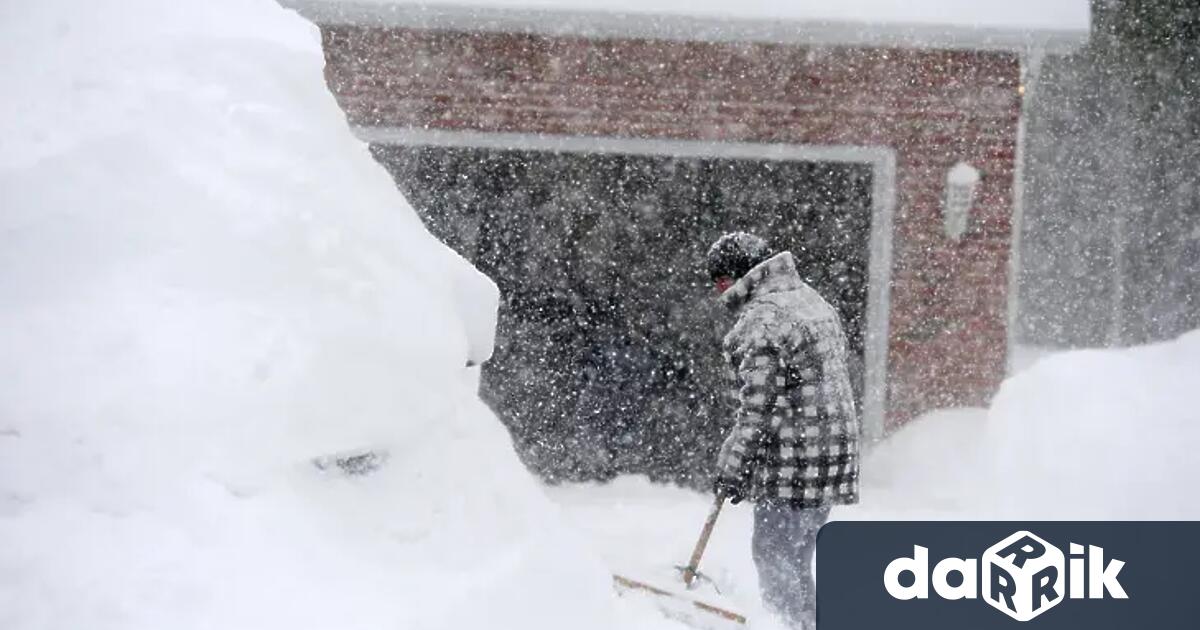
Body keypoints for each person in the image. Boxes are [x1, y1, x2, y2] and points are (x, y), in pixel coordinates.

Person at [706, 232, 860, 630]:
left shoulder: (762, 320)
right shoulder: (810, 300)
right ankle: (808, 623)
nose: (719, 292)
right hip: (832, 454)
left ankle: (787, 625)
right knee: (796, 558)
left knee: (773, 554)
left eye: (720, 281)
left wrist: (733, 466)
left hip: (795, 459)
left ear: (737, 276)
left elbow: (759, 408)